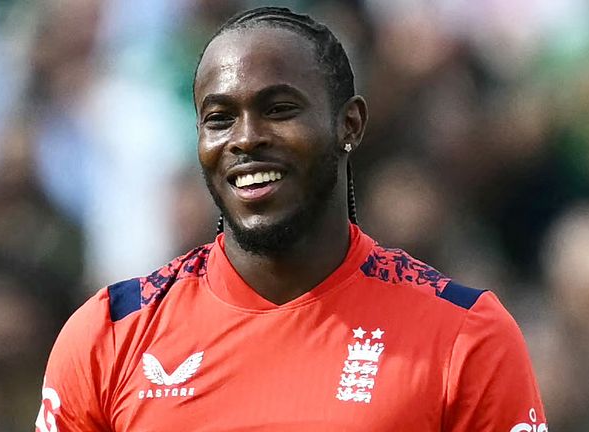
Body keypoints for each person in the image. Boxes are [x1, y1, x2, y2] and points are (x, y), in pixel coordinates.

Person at [35, 7, 547, 431]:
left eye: (279, 109)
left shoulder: (463, 335)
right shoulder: (109, 337)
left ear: (349, 124)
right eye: (219, 119)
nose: (245, 138)